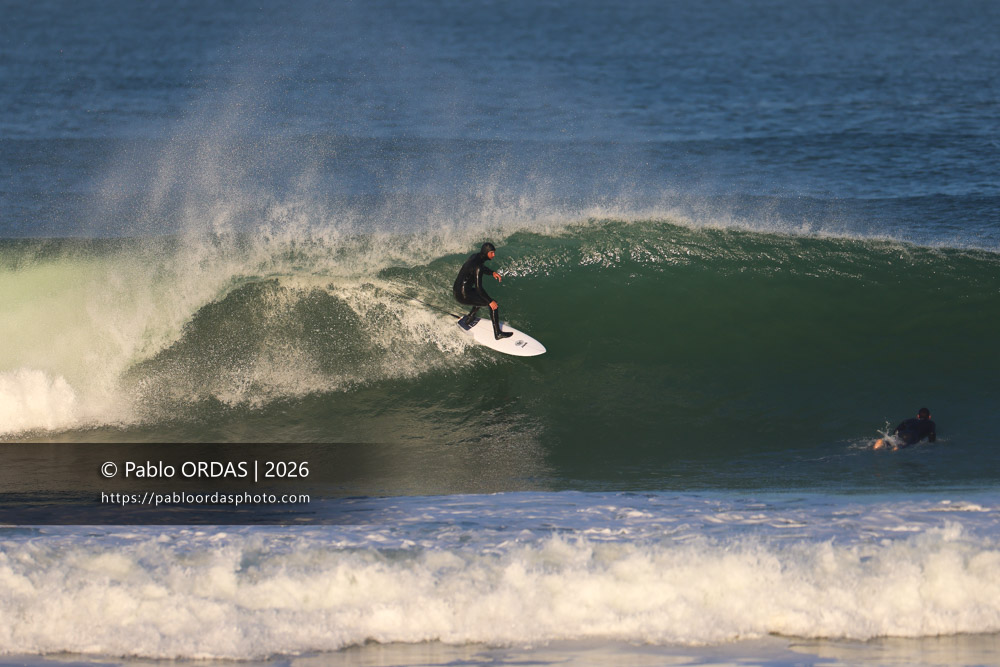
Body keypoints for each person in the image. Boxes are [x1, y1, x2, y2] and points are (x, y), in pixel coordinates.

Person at [453, 242, 512, 339]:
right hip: (463, 295)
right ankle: (498, 333)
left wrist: (492, 272)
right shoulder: (478, 267)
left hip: (457, 290)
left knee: (480, 297)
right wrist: (490, 302)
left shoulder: (474, 257)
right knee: (493, 304)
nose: (494, 255)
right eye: (492, 253)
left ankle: (470, 317)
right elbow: (479, 288)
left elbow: (480, 268)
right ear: (486, 252)